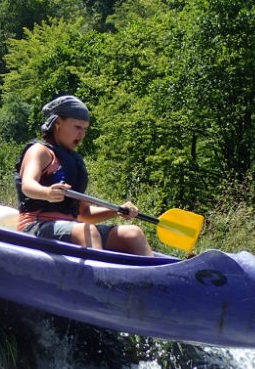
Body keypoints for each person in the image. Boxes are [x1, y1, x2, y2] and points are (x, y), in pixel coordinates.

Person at [15, 95, 153, 256]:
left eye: (85, 129)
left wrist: (117, 211)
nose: (82, 134)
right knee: (88, 231)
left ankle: (154, 280)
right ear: (58, 123)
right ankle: (100, 280)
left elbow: (85, 214)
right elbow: (28, 185)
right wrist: (47, 193)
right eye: (77, 127)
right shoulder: (40, 151)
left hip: (73, 228)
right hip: (35, 226)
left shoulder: (74, 162)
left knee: (133, 234)